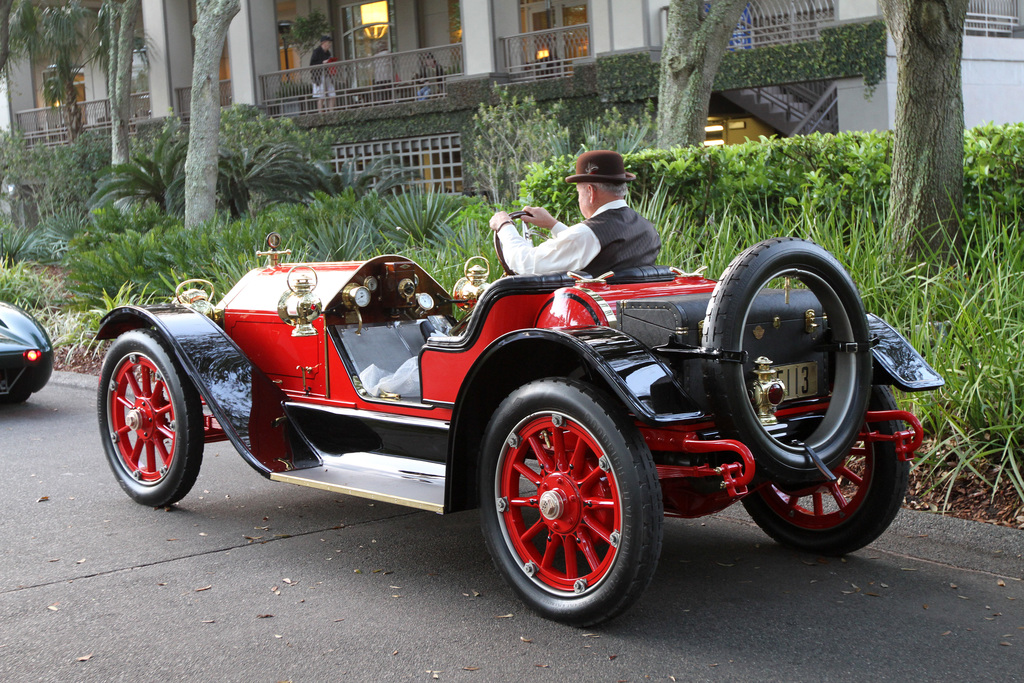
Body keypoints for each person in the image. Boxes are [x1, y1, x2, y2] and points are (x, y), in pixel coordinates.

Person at [488, 150, 661, 276]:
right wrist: (553, 225)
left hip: (589, 320)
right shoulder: (647, 228)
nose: (579, 199)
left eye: (579, 193)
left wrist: (504, 226)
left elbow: (525, 263)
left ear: (591, 192)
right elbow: (593, 249)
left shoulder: (588, 234)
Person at [310, 35, 336, 112]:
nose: (330, 44)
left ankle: (331, 112)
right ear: (323, 43)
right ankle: (320, 114)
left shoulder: (328, 53)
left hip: (327, 75)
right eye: (328, 43)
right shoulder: (316, 52)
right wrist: (322, 63)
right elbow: (312, 64)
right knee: (321, 97)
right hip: (318, 76)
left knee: (332, 95)